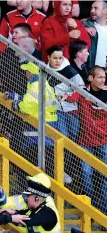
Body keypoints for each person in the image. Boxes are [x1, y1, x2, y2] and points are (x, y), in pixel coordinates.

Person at [0, 173, 66, 233]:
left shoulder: (48, 212)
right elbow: (23, 213)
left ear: (37, 199)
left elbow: (28, 220)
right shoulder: (37, 206)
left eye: (28, 196)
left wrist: (11, 216)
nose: (26, 198)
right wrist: (8, 212)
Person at [77, 66, 107, 211]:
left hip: (104, 141)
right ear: (91, 78)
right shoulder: (82, 92)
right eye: (100, 77)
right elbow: (71, 97)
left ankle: (103, 209)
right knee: (86, 173)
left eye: (104, 77)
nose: (103, 80)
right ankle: (89, 207)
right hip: (86, 141)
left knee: (104, 176)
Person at [46, 45, 84, 143]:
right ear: (48, 57)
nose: (58, 61)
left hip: (72, 111)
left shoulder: (70, 71)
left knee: (76, 139)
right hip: (56, 111)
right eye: (55, 58)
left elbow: (81, 90)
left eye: (60, 58)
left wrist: (68, 97)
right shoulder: (43, 71)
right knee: (62, 138)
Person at [82, 1, 107, 68]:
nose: (92, 11)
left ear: (105, 11)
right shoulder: (84, 24)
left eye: (96, 8)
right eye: (91, 8)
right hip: (90, 68)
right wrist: (85, 29)